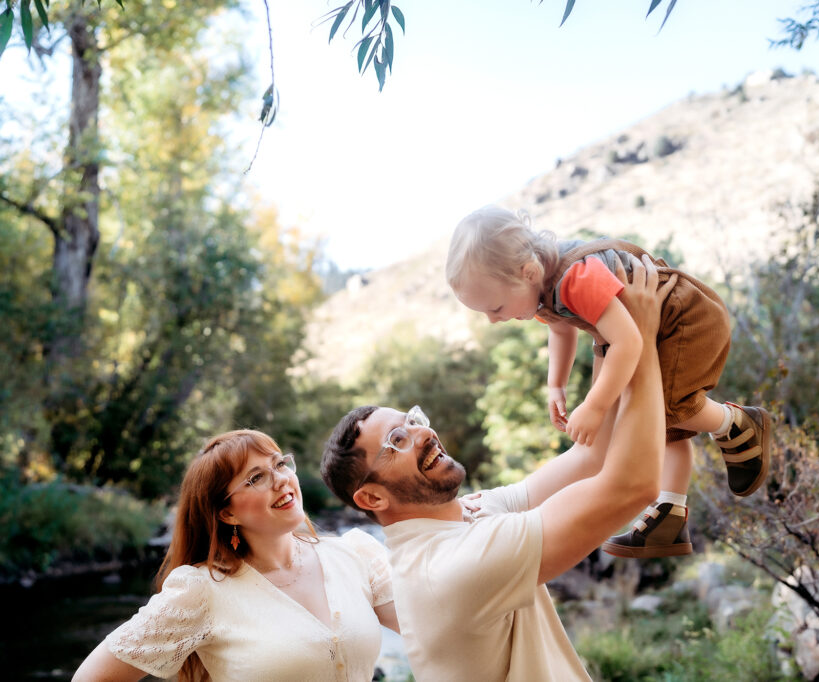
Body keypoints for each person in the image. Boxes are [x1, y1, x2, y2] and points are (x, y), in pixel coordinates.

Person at [321, 254, 671, 681]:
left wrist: (606, 333)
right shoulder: (452, 567)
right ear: (372, 497)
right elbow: (632, 486)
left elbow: (589, 459)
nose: (422, 433)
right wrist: (642, 338)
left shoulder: (468, 513)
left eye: (411, 421)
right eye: (397, 441)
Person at [444, 205, 772, 558]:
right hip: (652, 326)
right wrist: (557, 384)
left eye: (495, 308)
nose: (494, 321)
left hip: (684, 318)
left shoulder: (575, 279)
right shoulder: (540, 287)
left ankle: (736, 423)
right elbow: (560, 327)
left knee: (669, 410)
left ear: (527, 272)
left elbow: (628, 342)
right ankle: (669, 516)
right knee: (655, 423)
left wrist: (596, 405)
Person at [73, 429, 398, 682]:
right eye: (257, 478)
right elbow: (93, 676)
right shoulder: (201, 591)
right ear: (227, 513)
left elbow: (431, 629)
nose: (281, 480)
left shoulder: (356, 554)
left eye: (280, 464)